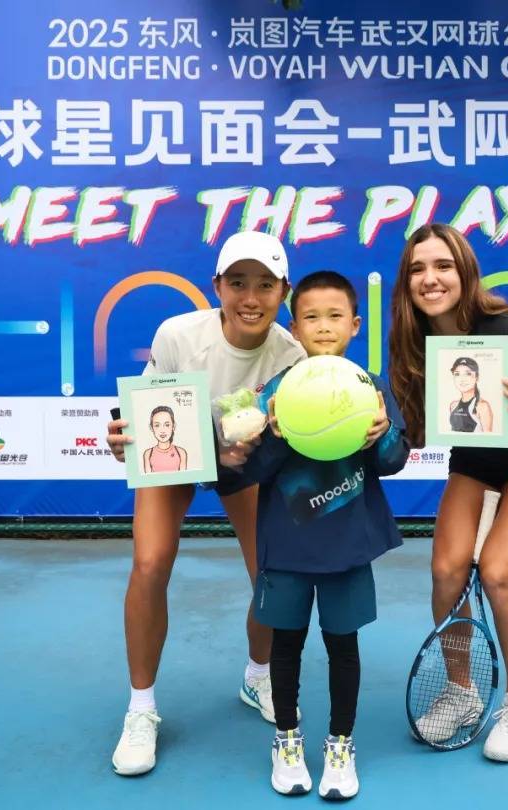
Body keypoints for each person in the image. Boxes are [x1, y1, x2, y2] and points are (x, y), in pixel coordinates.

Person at [105, 231, 306, 776]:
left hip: (245, 466)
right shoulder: (178, 335)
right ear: (217, 286)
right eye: (238, 283)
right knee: (150, 563)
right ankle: (141, 709)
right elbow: (146, 412)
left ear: (283, 292)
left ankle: (258, 676)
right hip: (178, 455)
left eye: (265, 285)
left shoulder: (291, 355)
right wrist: (123, 435)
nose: (251, 298)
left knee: (272, 573)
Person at [388, 223, 508, 762]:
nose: (430, 278)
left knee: (496, 572)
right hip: (475, 461)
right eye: (418, 269)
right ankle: (461, 692)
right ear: (407, 282)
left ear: (465, 271)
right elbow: (419, 433)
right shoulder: (412, 341)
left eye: (442, 266)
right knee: (447, 571)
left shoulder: (507, 328)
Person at [242, 271, 409, 799]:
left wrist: (381, 438)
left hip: (347, 547)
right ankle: (286, 739)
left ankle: (341, 744)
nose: (323, 326)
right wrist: (271, 436)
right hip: (287, 546)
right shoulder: (275, 391)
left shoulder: (371, 388)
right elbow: (250, 470)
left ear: (355, 325)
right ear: (294, 328)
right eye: (311, 317)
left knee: (343, 647)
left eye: (335, 316)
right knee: (286, 646)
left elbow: (395, 460)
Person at [448, 356, 493, 433]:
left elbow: (488, 438)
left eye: (468, 374)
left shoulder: (482, 406)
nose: (462, 379)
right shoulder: (453, 405)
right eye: (457, 374)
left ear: (477, 377)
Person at [142, 406, 188, 473]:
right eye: (157, 425)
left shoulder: (181, 452)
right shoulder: (148, 454)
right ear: (151, 428)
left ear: (173, 426)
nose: (162, 430)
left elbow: (184, 477)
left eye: (167, 425)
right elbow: (147, 478)